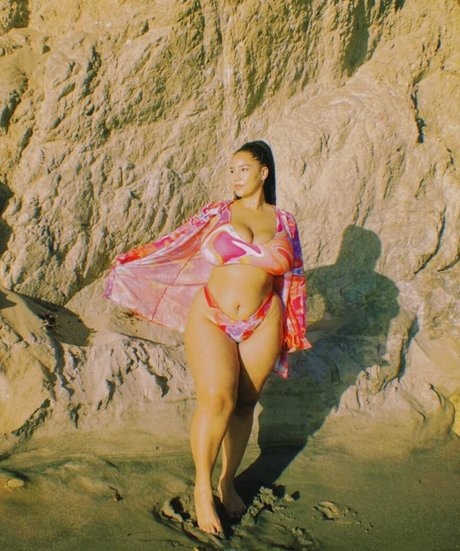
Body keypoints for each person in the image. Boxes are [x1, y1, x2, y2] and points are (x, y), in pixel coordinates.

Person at [104, 141, 312, 534]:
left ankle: (226, 481)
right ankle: (202, 487)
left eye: (243, 169)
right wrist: (136, 271)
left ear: (264, 172)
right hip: (212, 314)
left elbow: (294, 276)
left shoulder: (285, 221)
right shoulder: (218, 212)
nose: (235, 176)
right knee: (218, 400)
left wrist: (293, 328)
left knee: (245, 404)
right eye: (231, 170)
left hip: (263, 318)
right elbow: (175, 246)